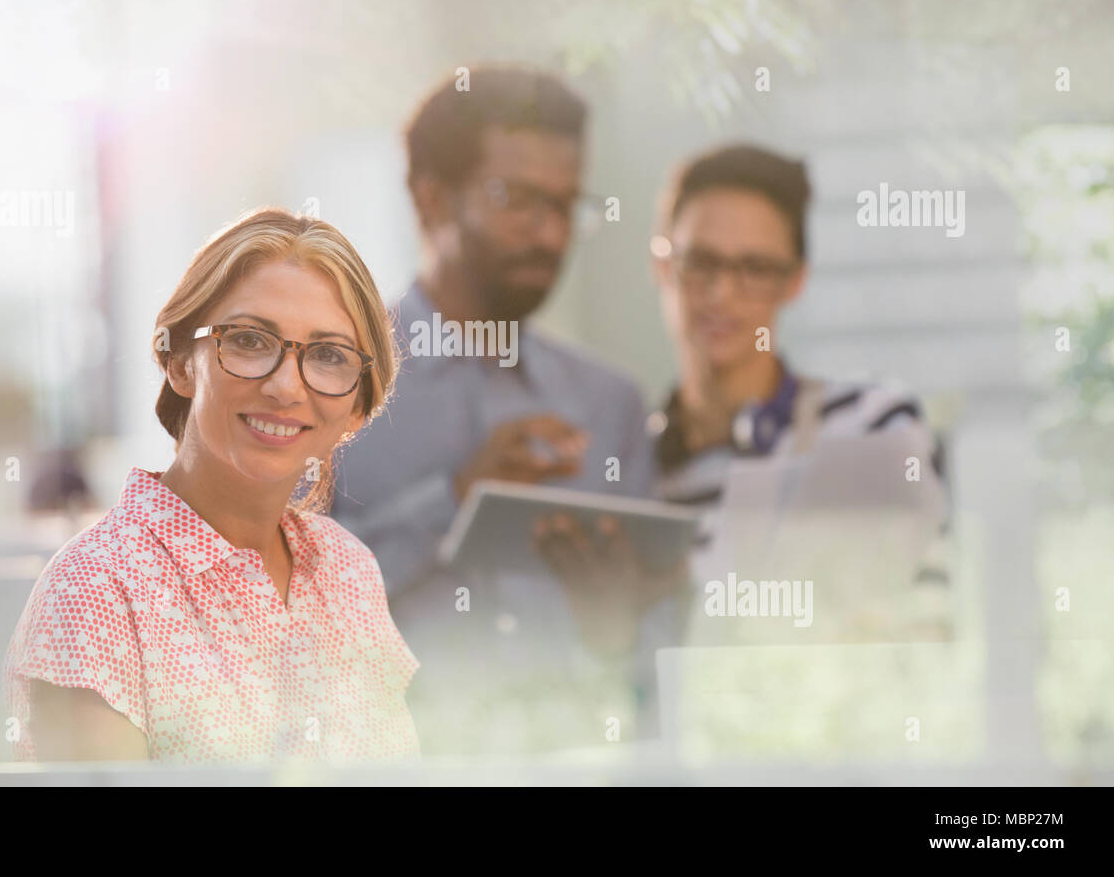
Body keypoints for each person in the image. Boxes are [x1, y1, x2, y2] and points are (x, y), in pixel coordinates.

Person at [3, 209, 419, 763]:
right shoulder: (97, 591)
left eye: (327, 356)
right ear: (179, 363)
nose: (284, 386)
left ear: (358, 407)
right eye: (249, 340)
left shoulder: (347, 571)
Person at [330, 66, 658, 754]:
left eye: (567, 205)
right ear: (430, 200)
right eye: (519, 199)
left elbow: (643, 661)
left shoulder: (611, 405)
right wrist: (454, 501)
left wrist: (619, 624)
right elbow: (286, 614)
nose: (549, 234)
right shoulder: (328, 391)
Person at [639, 143, 951, 727]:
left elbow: (920, 634)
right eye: (700, 262)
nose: (721, 294)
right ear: (662, 265)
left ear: (795, 282)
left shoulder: (870, 422)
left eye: (755, 269)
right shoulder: (627, 464)